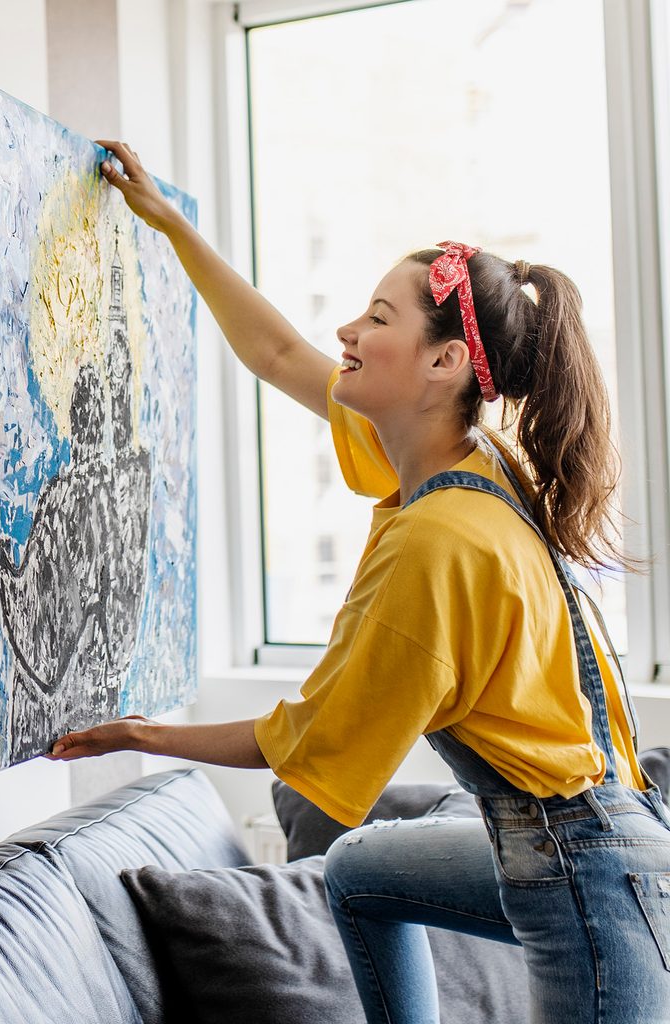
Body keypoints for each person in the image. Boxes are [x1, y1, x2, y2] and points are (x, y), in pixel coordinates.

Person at [45, 140, 670, 1022]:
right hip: (573, 834)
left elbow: (301, 741)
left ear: (445, 363)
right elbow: (274, 351)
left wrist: (142, 737)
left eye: (378, 317)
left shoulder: (439, 541)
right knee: (361, 867)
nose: (347, 331)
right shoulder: (459, 456)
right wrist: (170, 224)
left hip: (594, 882)